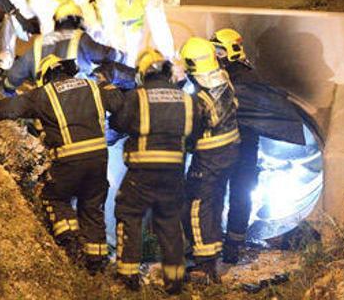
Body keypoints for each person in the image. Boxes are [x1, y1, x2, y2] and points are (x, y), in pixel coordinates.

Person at [0, 55, 112, 274]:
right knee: (92, 206)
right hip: (99, 159)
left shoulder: (43, 94)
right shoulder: (93, 87)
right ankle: (96, 265)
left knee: (54, 197)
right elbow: (120, 105)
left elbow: (9, 108)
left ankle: (70, 242)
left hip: (69, 160)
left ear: (46, 75)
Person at [101, 49, 212, 294]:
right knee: (169, 221)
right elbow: (196, 131)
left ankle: (128, 275)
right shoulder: (186, 99)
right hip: (173, 173)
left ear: (143, 73)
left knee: (128, 214)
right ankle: (175, 280)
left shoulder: (137, 97)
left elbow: (119, 123)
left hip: (141, 171)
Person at [178, 36, 240, 283]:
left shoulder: (199, 99)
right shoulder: (224, 79)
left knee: (196, 205)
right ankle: (213, 256)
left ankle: (204, 267)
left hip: (209, 157)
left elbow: (190, 132)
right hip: (231, 151)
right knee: (214, 202)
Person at [211, 28, 263, 264]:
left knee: (235, 194)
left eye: (220, 50)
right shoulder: (245, 76)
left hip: (238, 147)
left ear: (231, 50)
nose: (216, 55)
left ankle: (231, 243)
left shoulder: (241, 79)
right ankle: (228, 243)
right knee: (236, 194)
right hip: (238, 148)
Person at [3, 2, 123, 94]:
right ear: (78, 21)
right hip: (81, 100)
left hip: (48, 104)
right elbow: (103, 55)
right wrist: (120, 55)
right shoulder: (80, 37)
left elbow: (14, 76)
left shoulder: (39, 43)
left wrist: (8, 88)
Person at [95, 0, 174, 67]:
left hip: (133, 30)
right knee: (108, 62)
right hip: (105, 31)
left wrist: (169, 56)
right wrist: (122, 53)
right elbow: (111, 26)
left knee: (130, 65)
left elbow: (159, 24)